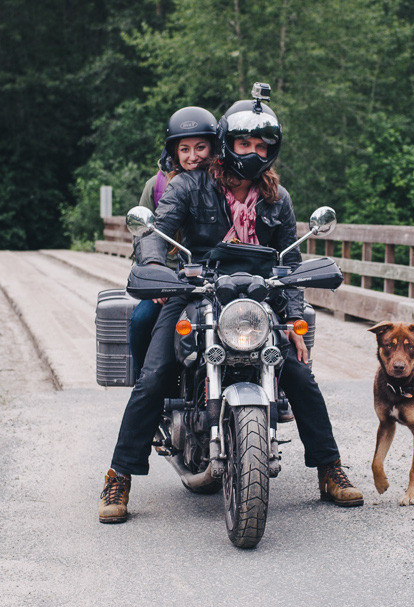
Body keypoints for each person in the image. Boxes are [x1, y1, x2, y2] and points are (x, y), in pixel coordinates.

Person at [99, 94, 363, 523]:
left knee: (298, 374)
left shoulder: (278, 198)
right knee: (152, 378)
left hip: (260, 296)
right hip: (196, 291)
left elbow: (289, 262)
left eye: (263, 145)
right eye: (245, 144)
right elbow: (156, 232)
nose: (254, 153)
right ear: (229, 142)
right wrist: (153, 266)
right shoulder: (191, 185)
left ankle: (330, 469)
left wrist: (294, 319)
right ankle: (119, 476)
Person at [128, 106, 217, 380]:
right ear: (174, 153)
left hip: (211, 273)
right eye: (185, 149)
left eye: (201, 147)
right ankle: (146, 384)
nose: (193, 157)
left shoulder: (224, 183)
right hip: (168, 277)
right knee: (141, 320)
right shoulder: (155, 187)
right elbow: (142, 238)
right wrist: (157, 275)